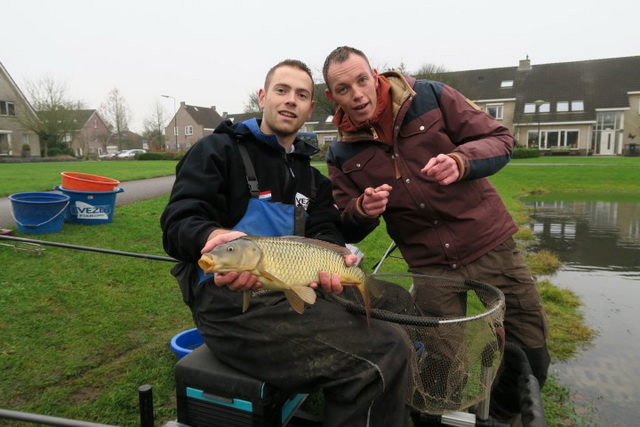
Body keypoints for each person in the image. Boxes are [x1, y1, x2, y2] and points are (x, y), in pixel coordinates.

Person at [161, 59, 412, 427]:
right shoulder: (217, 151)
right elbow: (178, 222)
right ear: (263, 96)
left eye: (301, 95)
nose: (290, 100)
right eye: (282, 90)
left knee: (400, 302)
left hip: (296, 287)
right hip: (232, 307)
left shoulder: (312, 179)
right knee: (384, 351)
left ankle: (402, 403)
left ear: (311, 108)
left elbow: (326, 231)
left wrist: (331, 258)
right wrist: (212, 236)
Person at [322, 46, 550, 424]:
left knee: (530, 349)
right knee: (439, 368)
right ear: (332, 97)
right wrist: (362, 210)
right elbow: (346, 222)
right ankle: (444, 419)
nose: (357, 94)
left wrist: (462, 161)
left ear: (375, 75)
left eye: (362, 80)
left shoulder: (431, 96)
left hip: (490, 244)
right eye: (343, 88)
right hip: (430, 268)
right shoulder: (340, 152)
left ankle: (501, 415)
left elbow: (500, 138)